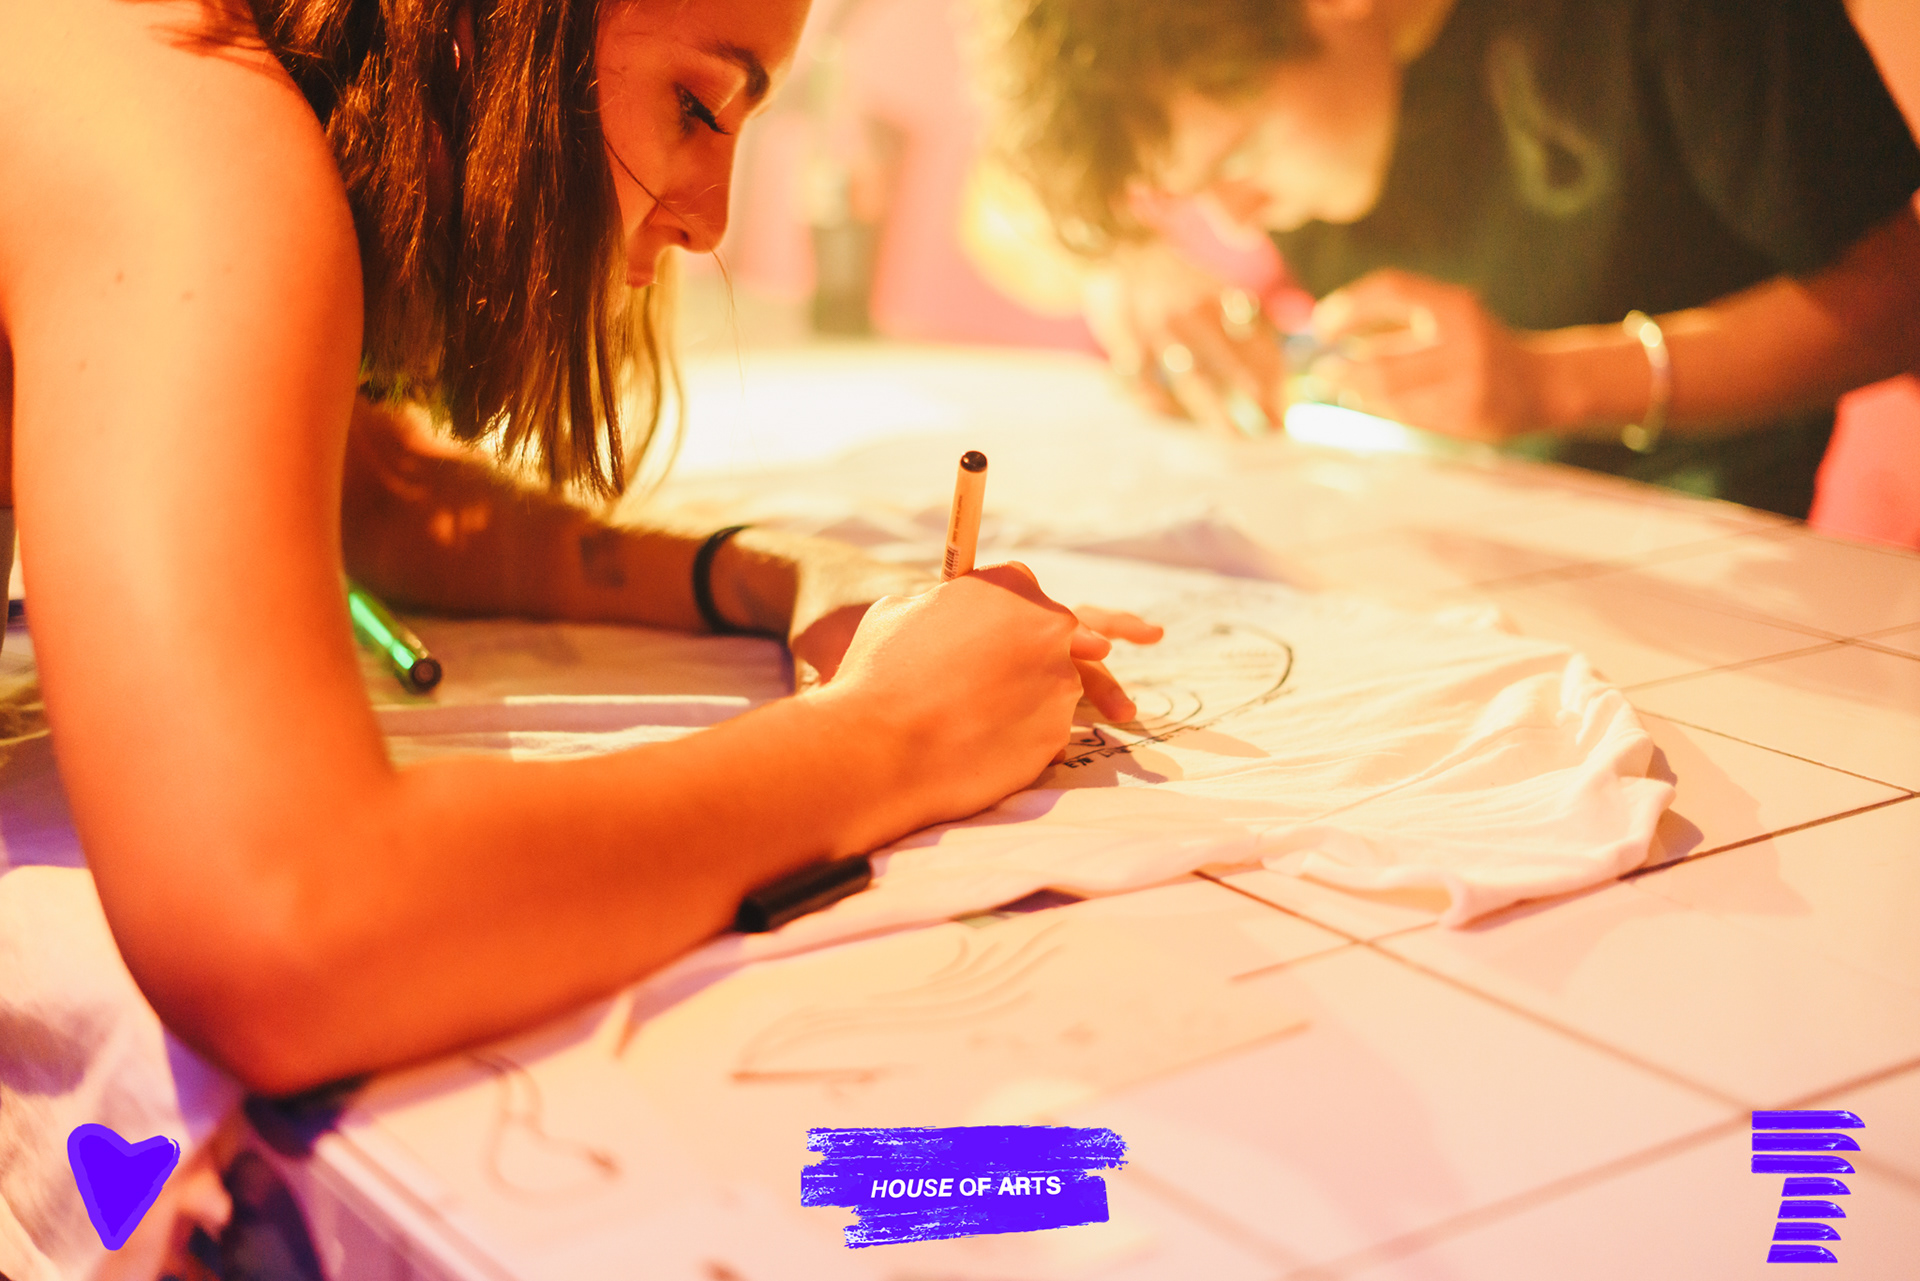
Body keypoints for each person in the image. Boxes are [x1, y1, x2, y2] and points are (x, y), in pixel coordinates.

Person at [0, 0, 1161, 1099]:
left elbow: (379, 499)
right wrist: (893, 736)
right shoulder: (185, 134)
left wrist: (786, 576)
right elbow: (287, 932)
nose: (711, 219)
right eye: (698, 107)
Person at [985, 0, 1920, 517]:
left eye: (1238, 160)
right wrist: (1120, 257)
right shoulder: (1198, 66)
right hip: (1460, 539)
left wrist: (1552, 383)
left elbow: (1902, 296)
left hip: (1716, 554)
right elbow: (990, 201)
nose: (1231, 228)